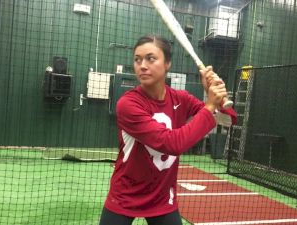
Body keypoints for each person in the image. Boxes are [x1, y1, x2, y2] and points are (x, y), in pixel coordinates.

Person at [99, 35, 237, 225]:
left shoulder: (181, 98)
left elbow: (227, 120)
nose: (142, 65)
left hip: (162, 196)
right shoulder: (128, 104)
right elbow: (172, 143)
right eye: (137, 60)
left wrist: (218, 99)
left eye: (151, 58)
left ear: (168, 64)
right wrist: (210, 104)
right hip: (125, 194)